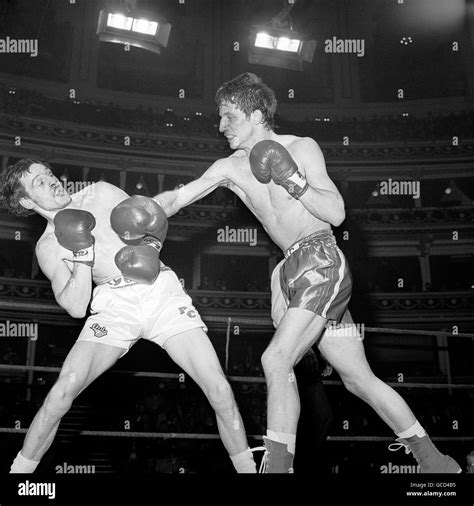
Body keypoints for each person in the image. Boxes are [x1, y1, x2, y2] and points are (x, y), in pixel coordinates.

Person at [155, 72, 461, 474]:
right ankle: (436, 463)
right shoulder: (227, 167)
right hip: (288, 272)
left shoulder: (301, 147)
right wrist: (143, 211)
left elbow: (335, 213)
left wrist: (292, 179)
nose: (220, 125)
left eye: (228, 116)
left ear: (255, 113)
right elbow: (181, 196)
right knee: (356, 379)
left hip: (321, 260)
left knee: (275, 359)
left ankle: (278, 469)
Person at [0, 158, 256, 473]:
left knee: (218, 387)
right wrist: (82, 253)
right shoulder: (48, 247)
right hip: (113, 305)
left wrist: (214, 179)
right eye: (39, 182)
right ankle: (18, 477)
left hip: (159, 291)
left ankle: (248, 470)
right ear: (26, 201)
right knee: (62, 392)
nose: (52, 180)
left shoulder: (100, 193)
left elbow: (155, 214)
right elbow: (76, 306)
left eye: (49, 173)